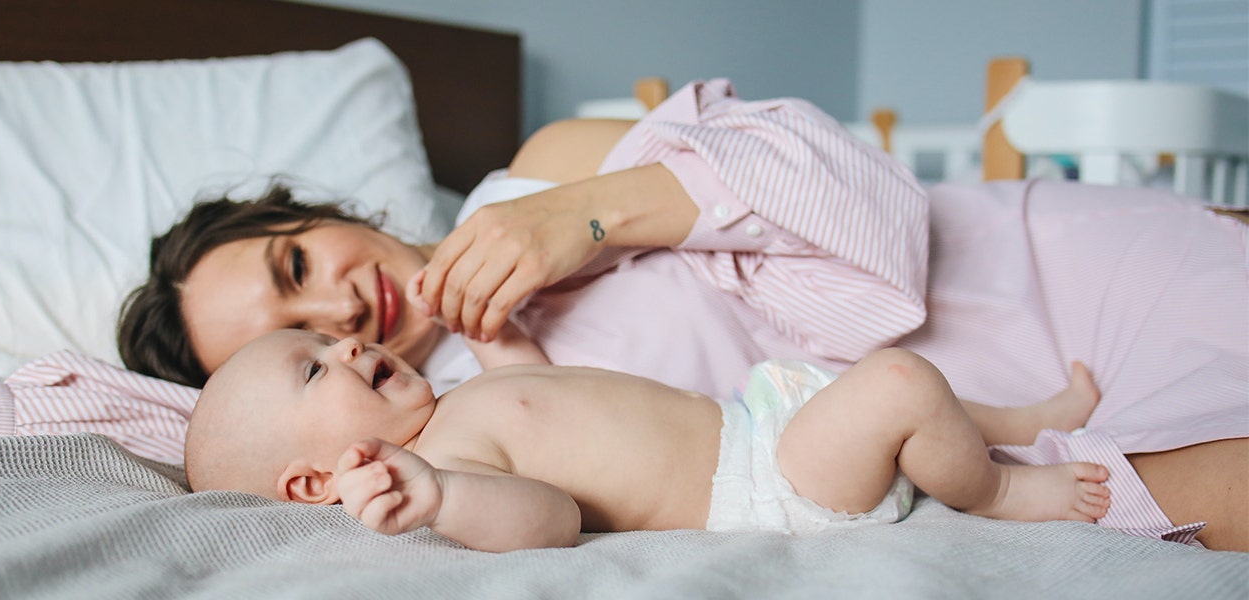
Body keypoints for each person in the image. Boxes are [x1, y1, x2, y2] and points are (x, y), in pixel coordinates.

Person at [120, 79, 1247, 550]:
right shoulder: (459, 432)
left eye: (297, 263)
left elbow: (856, 197)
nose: (338, 312)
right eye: (289, 346)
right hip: (921, 438)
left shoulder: (538, 175)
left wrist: (589, 218)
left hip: (1004, 279)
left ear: (324, 213)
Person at [185, 328, 1111, 553]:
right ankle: (996, 490)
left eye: (322, 337)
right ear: (311, 486)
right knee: (899, 383)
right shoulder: (446, 463)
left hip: (758, 418)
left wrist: (500, 330)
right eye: (314, 370)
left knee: (865, 374)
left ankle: (1024, 421)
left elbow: (543, 388)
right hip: (768, 487)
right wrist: (437, 497)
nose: (344, 343)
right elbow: (550, 517)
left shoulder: (464, 395)